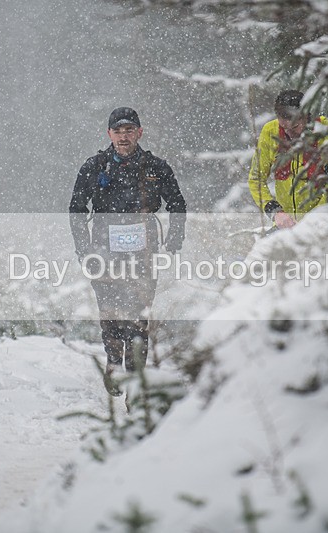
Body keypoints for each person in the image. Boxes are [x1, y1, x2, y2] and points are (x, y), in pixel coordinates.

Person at [69, 107, 186, 395]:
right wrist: (84, 249)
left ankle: (136, 379)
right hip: (103, 248)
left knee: (138, 314)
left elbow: (177, 204)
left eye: (129, 130)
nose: (124, 136)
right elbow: (75, 209)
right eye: (118, 131)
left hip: (144, 250)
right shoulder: (94, 167)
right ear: (109, 134)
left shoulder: (157, 167)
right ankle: (113, 363)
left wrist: (174, 240)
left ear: (139, 133)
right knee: (110, 312)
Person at [248, 89, 328, 228]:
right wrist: (276, 212)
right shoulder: (270, 131)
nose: (289, 133)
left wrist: (316, 218)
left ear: (306, 116)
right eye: (283, 127)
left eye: (295, 127)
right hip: (287, 225)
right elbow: (256, 179)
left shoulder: (326, 131)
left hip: (324, 223)